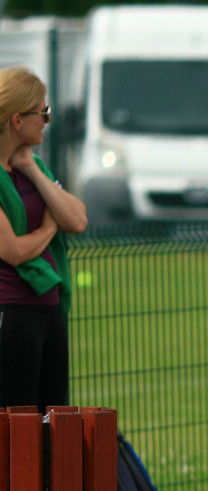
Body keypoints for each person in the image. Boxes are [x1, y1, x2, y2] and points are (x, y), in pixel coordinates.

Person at [0, 66, 88, 412]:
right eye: (43, 112)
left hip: (48, 310)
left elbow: (78, 219)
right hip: (12, 312)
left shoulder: (29, 164)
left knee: (52, 420)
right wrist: (50, 228)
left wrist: (33, 170)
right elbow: (14, 251)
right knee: (15, 421)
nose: (48, 120)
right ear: (18, 120)